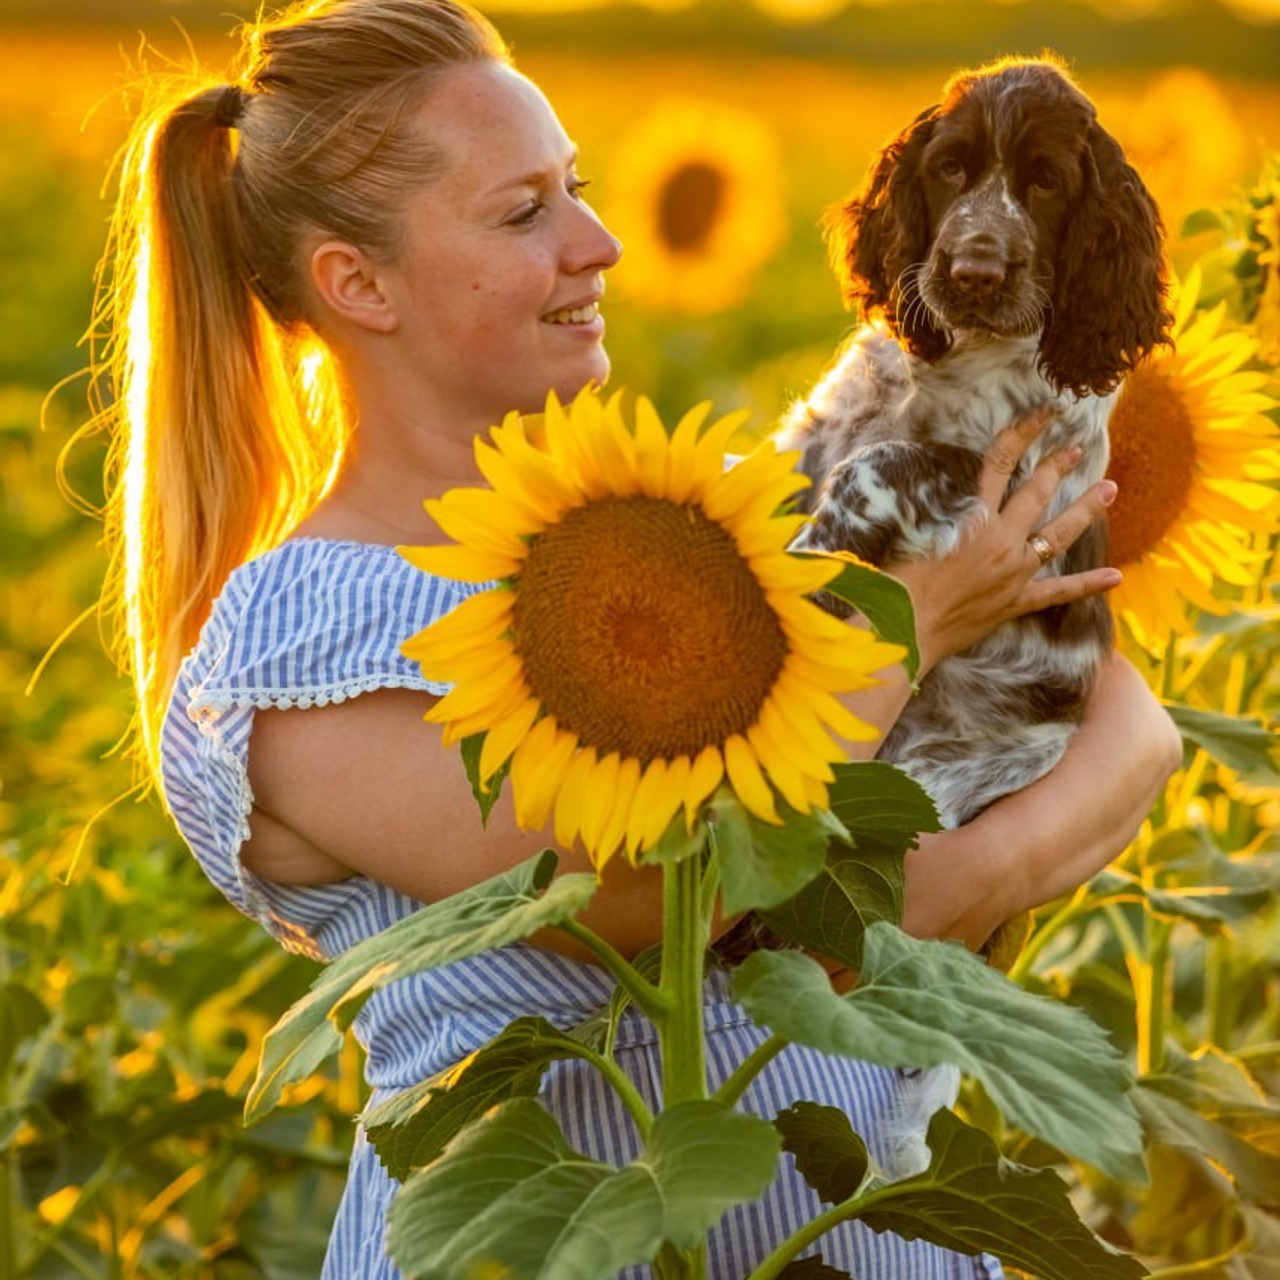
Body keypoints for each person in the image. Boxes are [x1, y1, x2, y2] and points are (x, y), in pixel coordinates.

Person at [96, 1, 1182, 1276]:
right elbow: (649, 895)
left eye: (581, 191)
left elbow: (1130, 724)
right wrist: (919, 629)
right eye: (524, 213)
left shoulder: (673, 527)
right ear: (355, 281)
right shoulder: (300, 637)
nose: (600, 243)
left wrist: (949, 865)